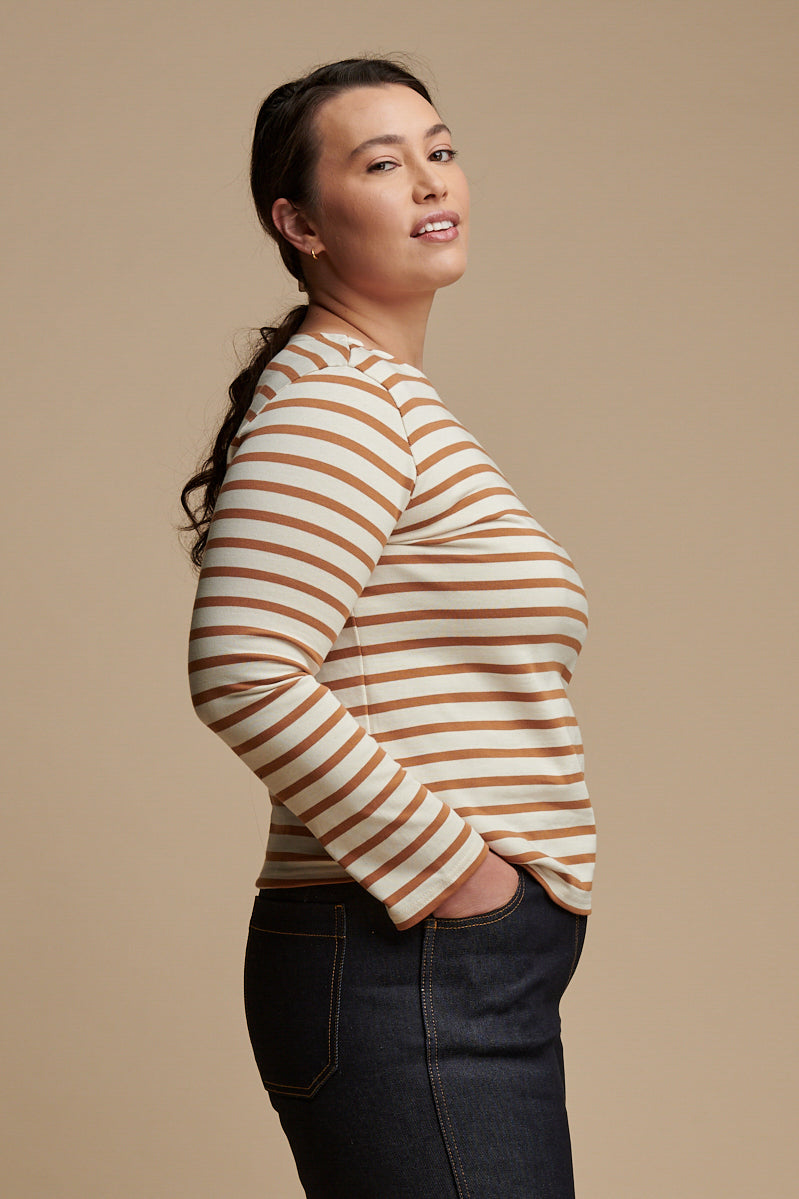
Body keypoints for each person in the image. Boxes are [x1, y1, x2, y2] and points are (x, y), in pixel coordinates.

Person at [182, 56, 596, 1199]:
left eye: (440, 150)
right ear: (299, 222)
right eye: (380, 162)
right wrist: (460, 877)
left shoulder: (377, 393)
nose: (427, 181)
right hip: (405, 952)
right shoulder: (336, 399)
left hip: (438, 964)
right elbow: (242, 668)